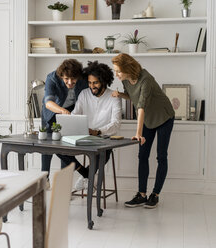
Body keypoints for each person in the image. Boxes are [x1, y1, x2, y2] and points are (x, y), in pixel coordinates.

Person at [111, 53, 175, 209]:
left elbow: (140, 107)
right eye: (115, 71)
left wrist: (138, 133)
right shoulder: (125, 80)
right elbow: (134, 97)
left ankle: (155, 195)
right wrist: (120, 94)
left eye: (118, 71)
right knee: (143, 155)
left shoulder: (146, 79)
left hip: (164, 117)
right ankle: (141, 195)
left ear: (127, 68)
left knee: (161, 156)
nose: (116, 74)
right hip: (147, 119)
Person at [56, 61, 122, 191]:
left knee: (104, 153)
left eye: (95, 83)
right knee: (59, 149)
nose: (92, 86)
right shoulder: (84, 94)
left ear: (104, 81)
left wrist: (97, 132)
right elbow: (75, 115)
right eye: (90, 83)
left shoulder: (114, 96)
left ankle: (87, 177)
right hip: (83, 135)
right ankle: (87, 175)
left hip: (103, 138)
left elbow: (116, 124)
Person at [41, 59, 88, 182]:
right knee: (47, 147)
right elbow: (48, 102)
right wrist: (62, 111)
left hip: (72, 111)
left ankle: (63, 183)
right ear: (61, 75)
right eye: (66, 79)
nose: (70, 82)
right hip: (53, 111)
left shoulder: (83, 79)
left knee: (67, 146)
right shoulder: (52, 78)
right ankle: (44, 179)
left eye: (73, 79)